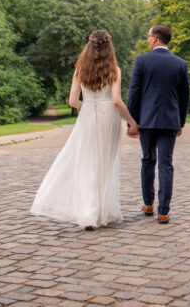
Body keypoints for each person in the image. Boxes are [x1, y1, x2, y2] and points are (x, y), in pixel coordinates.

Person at [30, 29, 138, 230]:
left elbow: (72, 101)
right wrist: (132, 122)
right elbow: (116, 101)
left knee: (88, 162)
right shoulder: (114, 69)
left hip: (87, 117)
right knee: (105, 164)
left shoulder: (79, 69)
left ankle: (89, 213)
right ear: (109, 47)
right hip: (108, 118)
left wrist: (87, 106)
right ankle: (102, 212)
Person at [127, 24, 190, 224]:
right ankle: (164, 211)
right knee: (166, 164)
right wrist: (180, 122)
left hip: (146, 121)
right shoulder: (180, 64)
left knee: (147, 160)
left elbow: (134, 93)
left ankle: (149, 204)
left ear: (155, 38)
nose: (147, 39)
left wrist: (132, 122)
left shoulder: (142, 61)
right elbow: (184, 97)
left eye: (148, 36)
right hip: (170, 121)